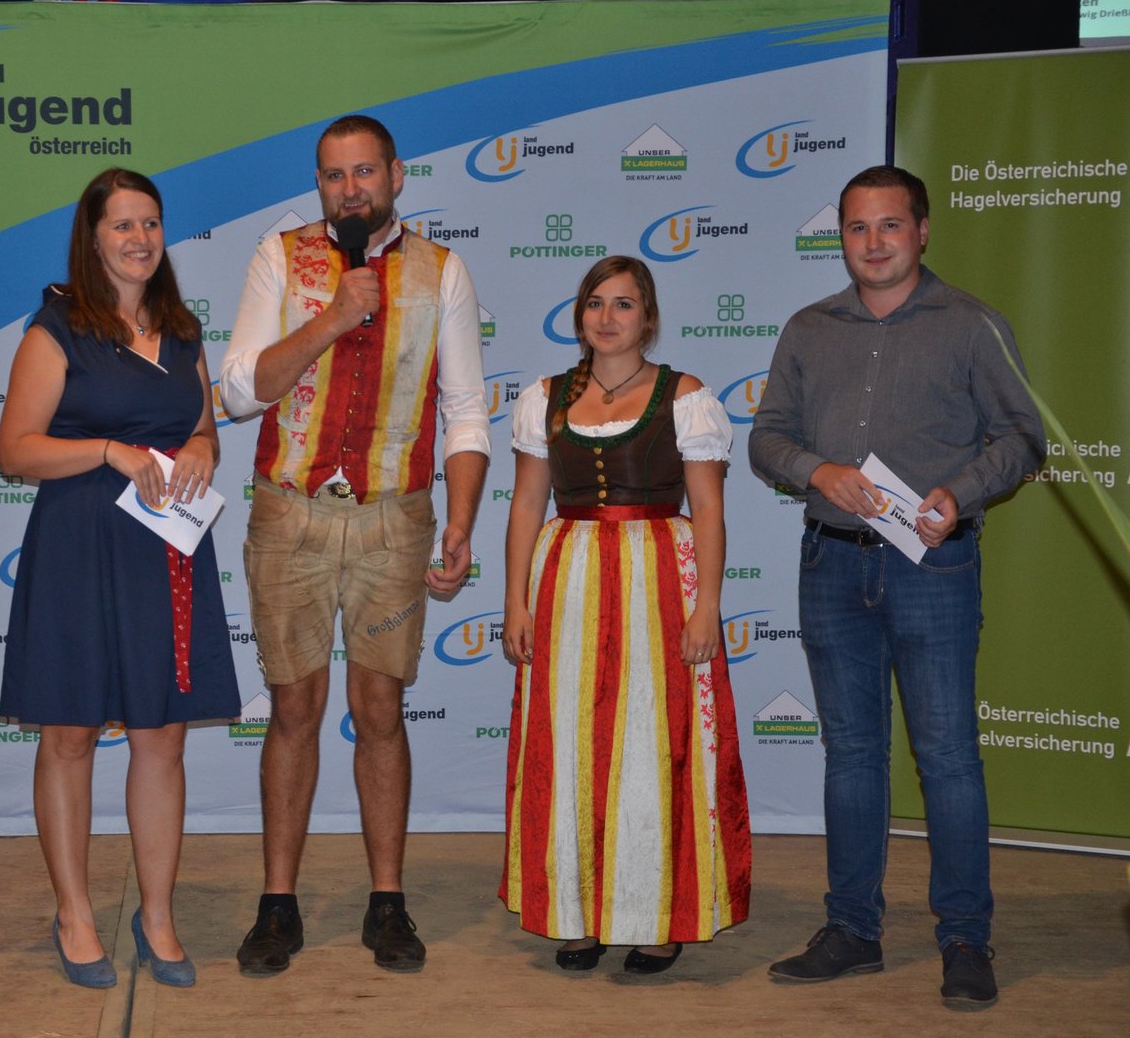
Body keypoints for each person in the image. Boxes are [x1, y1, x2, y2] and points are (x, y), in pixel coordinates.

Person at [749, 165, 1045, 1010]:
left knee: (947, 755)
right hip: (831, 562)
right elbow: (767, 439)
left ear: (922, 230)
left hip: (933, 566)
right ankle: (852, 929)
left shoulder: (973, 325)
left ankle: (966, 938)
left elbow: (1023, 437)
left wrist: (962, 490)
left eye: (889, 225)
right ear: (840, 237)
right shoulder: (809, 328)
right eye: (856, 227)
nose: (873, 243)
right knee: (851, 753)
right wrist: (818, 471)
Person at [218, 115, 490, 975]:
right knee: (293, 709)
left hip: (393, 519)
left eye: (365, 172)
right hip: (289, 515)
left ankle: (387, 902)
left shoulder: (443, 271)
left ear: (397, 176)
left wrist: (461, 518)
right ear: (319, 184)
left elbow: (466, 411)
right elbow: (241, 392)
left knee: (380, 710)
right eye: (334, 176)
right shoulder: (281, 257)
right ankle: (277, 905)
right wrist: (335, 315)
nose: (350, 190)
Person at [0, 167, 241, 990]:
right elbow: (15, 451)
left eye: (151, 223)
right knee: (68, 734)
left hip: (165, 551)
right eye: (123, 225)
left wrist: (201, 446)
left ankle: (157, 916)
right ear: (93, 237)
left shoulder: (183, 331)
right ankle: (73, 913)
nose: (140, 239)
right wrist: (107, 451)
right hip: (77, 545)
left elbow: (203, 429)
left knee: (160, 735)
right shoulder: (57, 329)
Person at [498, 255, 752, 975]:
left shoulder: (685, 396)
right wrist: (515, 599)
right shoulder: (545, 398)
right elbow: (526, 504)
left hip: (658, 577)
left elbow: (708, 508)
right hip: (569, 578)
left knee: (651, 740)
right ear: (579, 314)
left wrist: (707, 605)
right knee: (570, 743)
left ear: (648, 318)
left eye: (623, 304)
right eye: (595, 303)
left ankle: (656, 917)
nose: (606, 318)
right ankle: (576, 914)